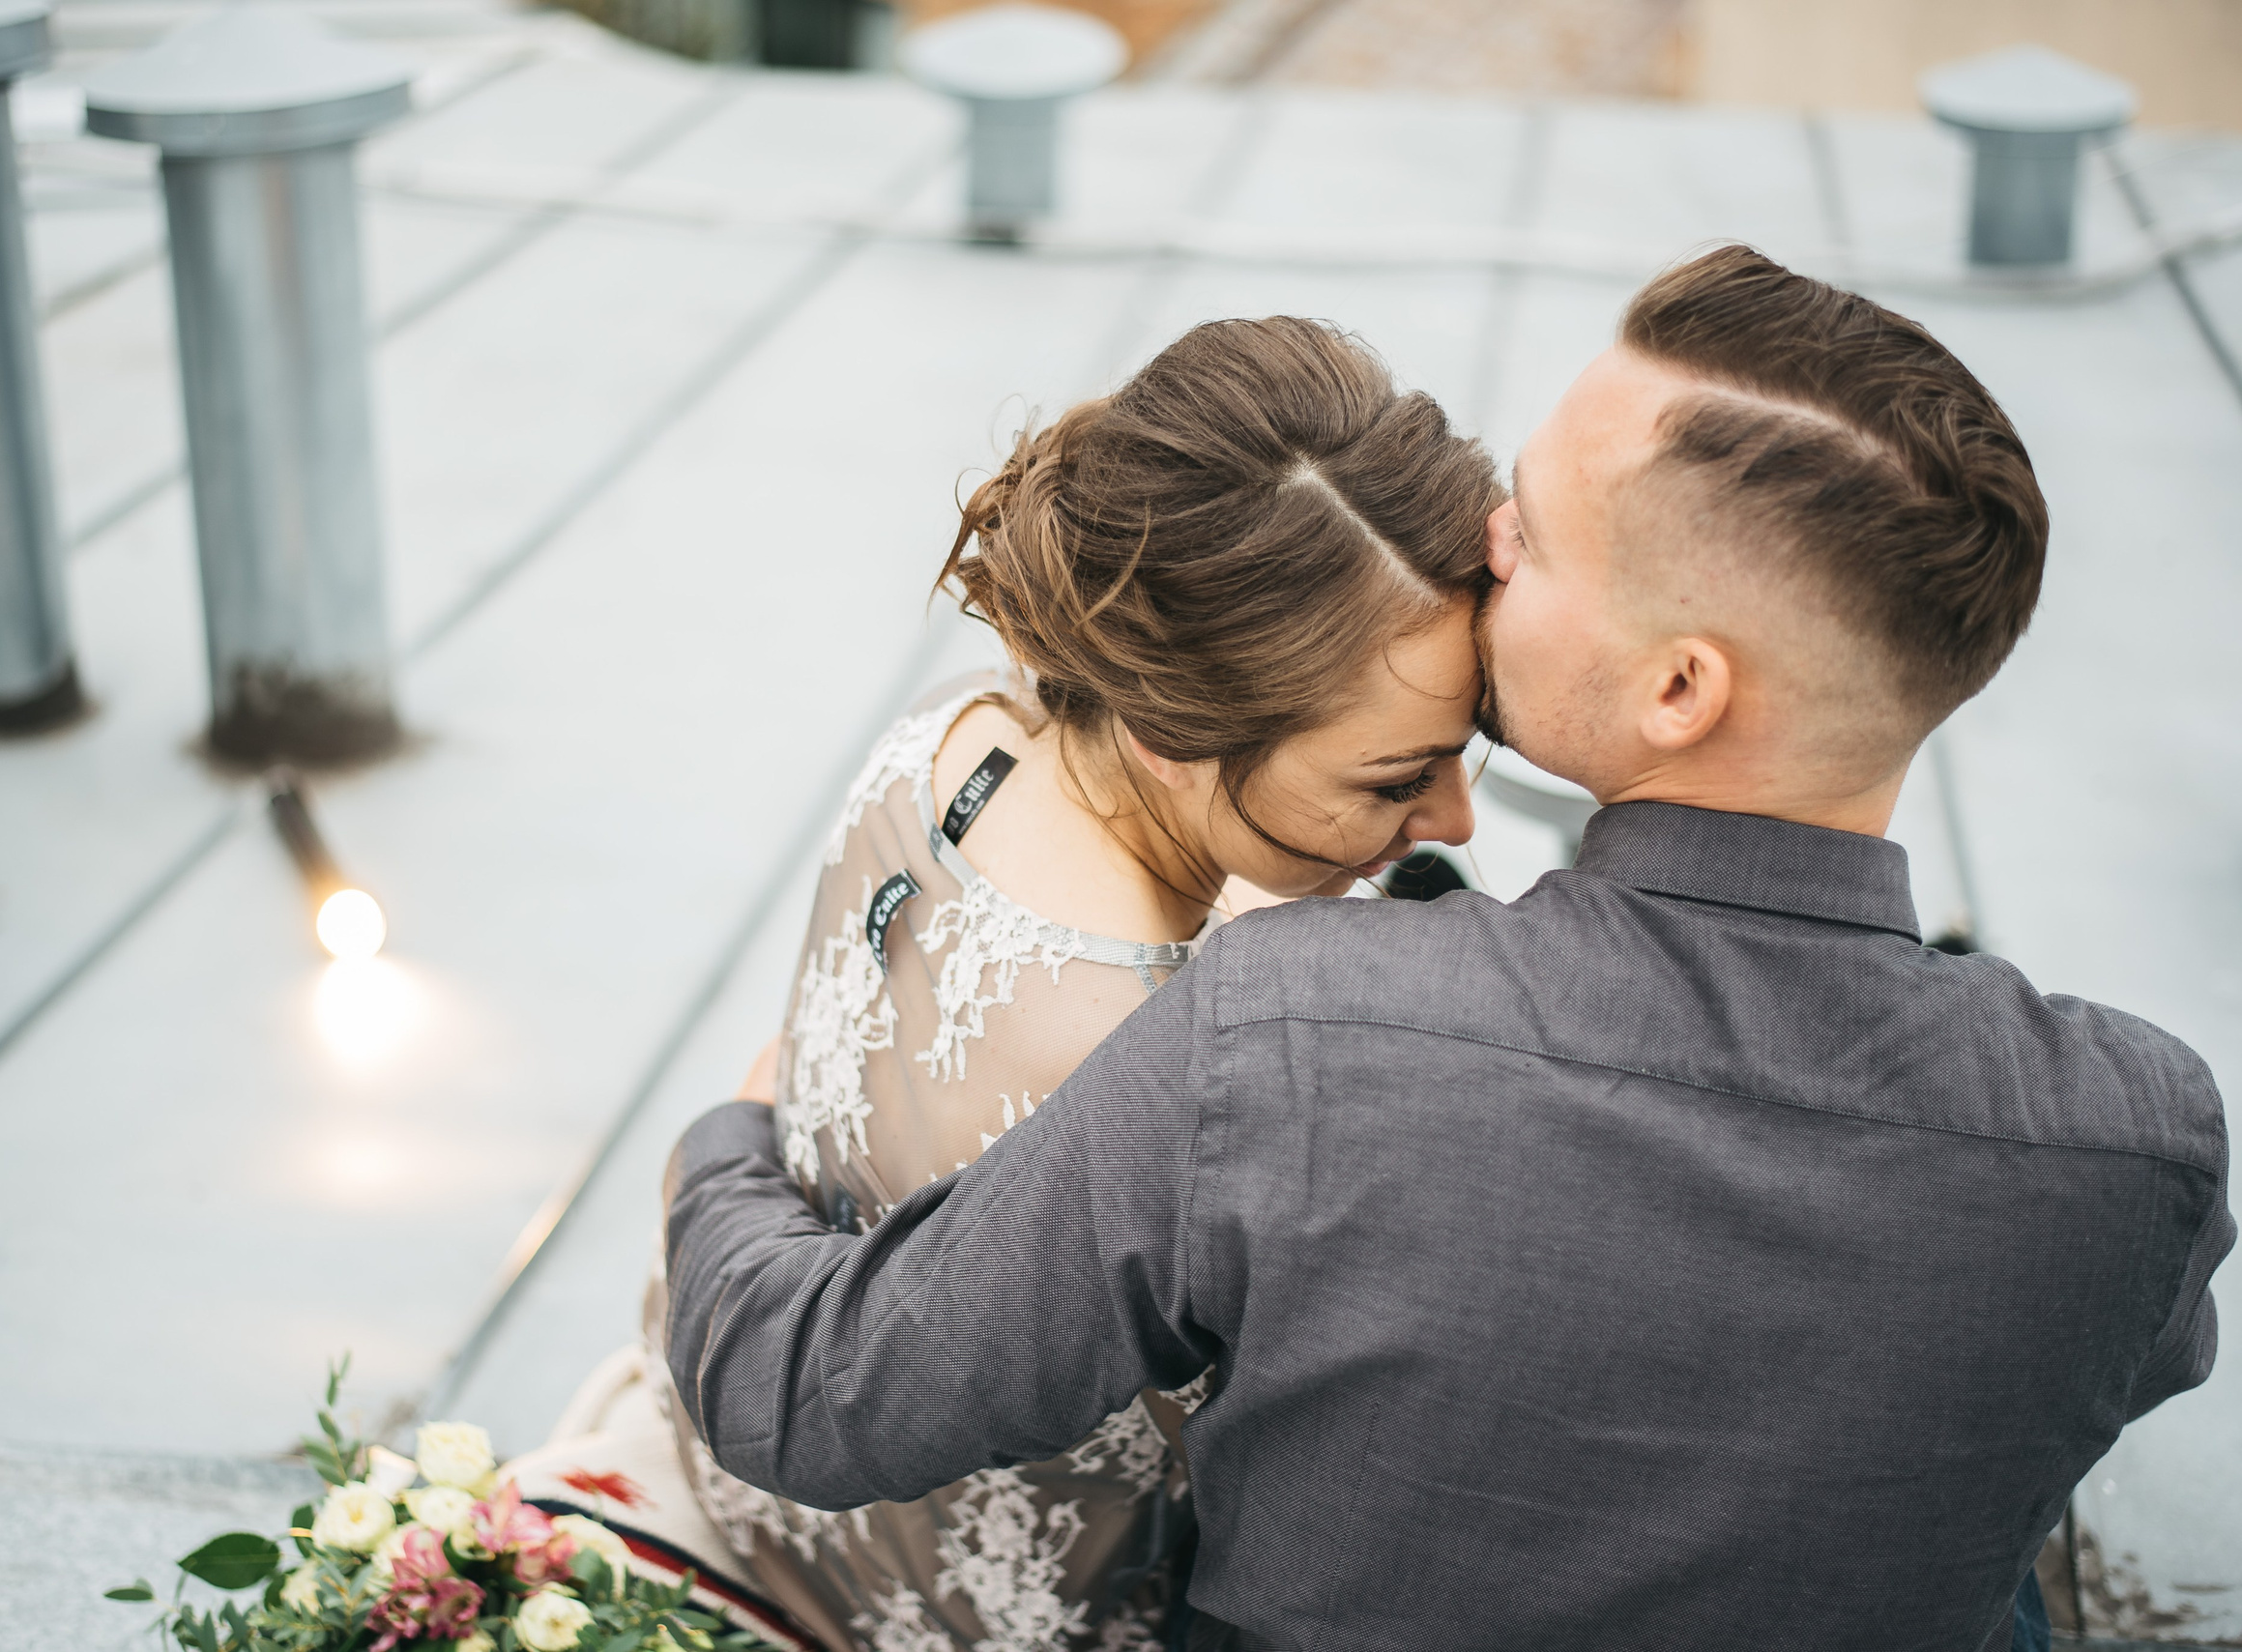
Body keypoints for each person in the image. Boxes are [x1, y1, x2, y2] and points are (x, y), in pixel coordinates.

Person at [657, 246, 2234, 1651]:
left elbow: (811, 1391)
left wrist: (735, 1133)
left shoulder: (1288, 1039)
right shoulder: (2142, 1142)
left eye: (1529, 533)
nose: (1486, 535)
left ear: (1680, 689)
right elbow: (2128, 1355)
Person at [512, 317, 1503, 1651]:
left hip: (730, 1430)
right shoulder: (1162, 1060)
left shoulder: (958, 732)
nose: (1453, 820)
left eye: (1461, 753)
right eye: (1393, 779)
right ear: (1169, 731)